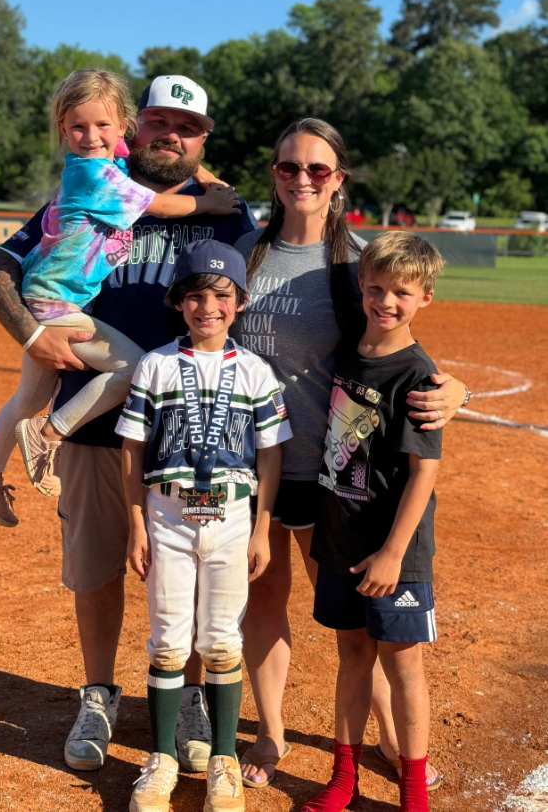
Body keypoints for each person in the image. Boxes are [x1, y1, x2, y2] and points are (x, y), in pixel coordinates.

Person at [0, 75, 257, 772]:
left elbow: (309, 269)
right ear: (137, 128)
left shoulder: (227, 213)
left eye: (186, 126)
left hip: (194, 438)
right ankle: (98, 694)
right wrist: (30, 336)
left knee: (190, 573)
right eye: (159, 121)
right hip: (100, 429)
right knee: (97, 569)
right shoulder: (98, 185)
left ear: (203, 136)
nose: (171, 134)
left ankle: (190, 697)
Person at [231, 118, 466, 789]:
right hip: (253, 466)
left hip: (333, 475)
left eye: (317, 169)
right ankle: (271, 734)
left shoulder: (357, 262)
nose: (301, 179)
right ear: (274, 175)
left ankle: (392, 737)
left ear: (338, 180)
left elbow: (399, 352)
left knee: (356, 614)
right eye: (288, 167)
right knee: (266, 598)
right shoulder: (247, 254)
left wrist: (458, 388)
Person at [0, 70, 238, 528]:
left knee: (27, 398)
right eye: (79, 127)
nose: (92, 136)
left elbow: (157, 157)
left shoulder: (113, 159)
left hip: (54, 299)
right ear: (63, 129)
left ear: (121, 126)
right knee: (133, 368)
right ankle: (51, 434)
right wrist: (210, 202)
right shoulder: (93, 176)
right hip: (57, 305)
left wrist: (204, 175)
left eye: (102, 126)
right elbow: (158, 204)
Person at [118, 240, 291, 812]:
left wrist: (264, 528)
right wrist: (137, 524)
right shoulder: (158, 364)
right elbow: (131, 451)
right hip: (167, 515)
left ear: (239, 303)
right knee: (168, 641)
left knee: (220, 640)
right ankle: (162, 759)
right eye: (195, 296)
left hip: (233, 516)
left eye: (220, 296)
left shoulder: (257, 373)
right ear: (179, 302)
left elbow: (270, 457)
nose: (207, 307)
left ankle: (222, 761)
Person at [300, 231, 444, 812]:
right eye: (377, 288)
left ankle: (413, 788)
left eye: (402, 293)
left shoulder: (418, 376)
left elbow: (422, 475)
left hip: (395, 552)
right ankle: (343, 777)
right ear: (361, 286)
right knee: (352, 658)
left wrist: (391, 554)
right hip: (339, 537)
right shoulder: (347, 353)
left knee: (402, 664)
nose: (387, 301)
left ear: (425, 298)